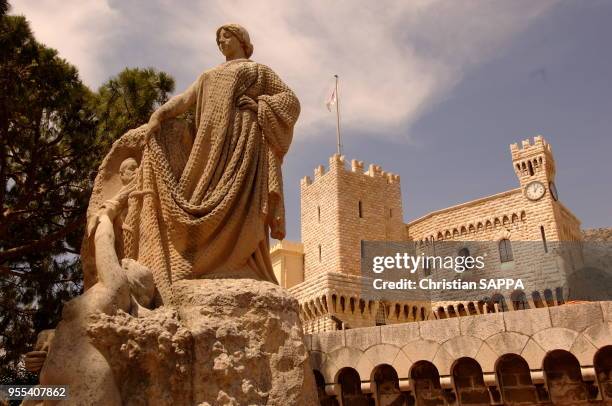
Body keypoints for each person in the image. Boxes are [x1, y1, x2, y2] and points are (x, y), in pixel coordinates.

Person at [118, 23, 300, 303]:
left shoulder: (257, 70)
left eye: (226, 36)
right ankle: (200, 260)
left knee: (244, 203)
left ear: (241, 40)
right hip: (210, 149)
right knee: (199, 195)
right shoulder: (208, 75)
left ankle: (241, 261)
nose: (221, 42)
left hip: (244, 142)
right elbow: (185, 99)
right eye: (218, 39)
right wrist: (161, 114)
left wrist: (259, 105)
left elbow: (290, 100)